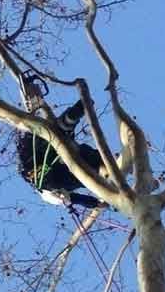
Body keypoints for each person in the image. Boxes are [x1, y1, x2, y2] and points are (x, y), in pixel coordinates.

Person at [16, 77, 103, 210]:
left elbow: (72, 198)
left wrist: (95, 203)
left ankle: (68, 121)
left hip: (43, 157)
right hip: (42, 150)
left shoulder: (47, 192)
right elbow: (72, 198)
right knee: (61, 136)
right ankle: (68, 121)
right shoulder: (43, 184)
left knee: (80, 168)